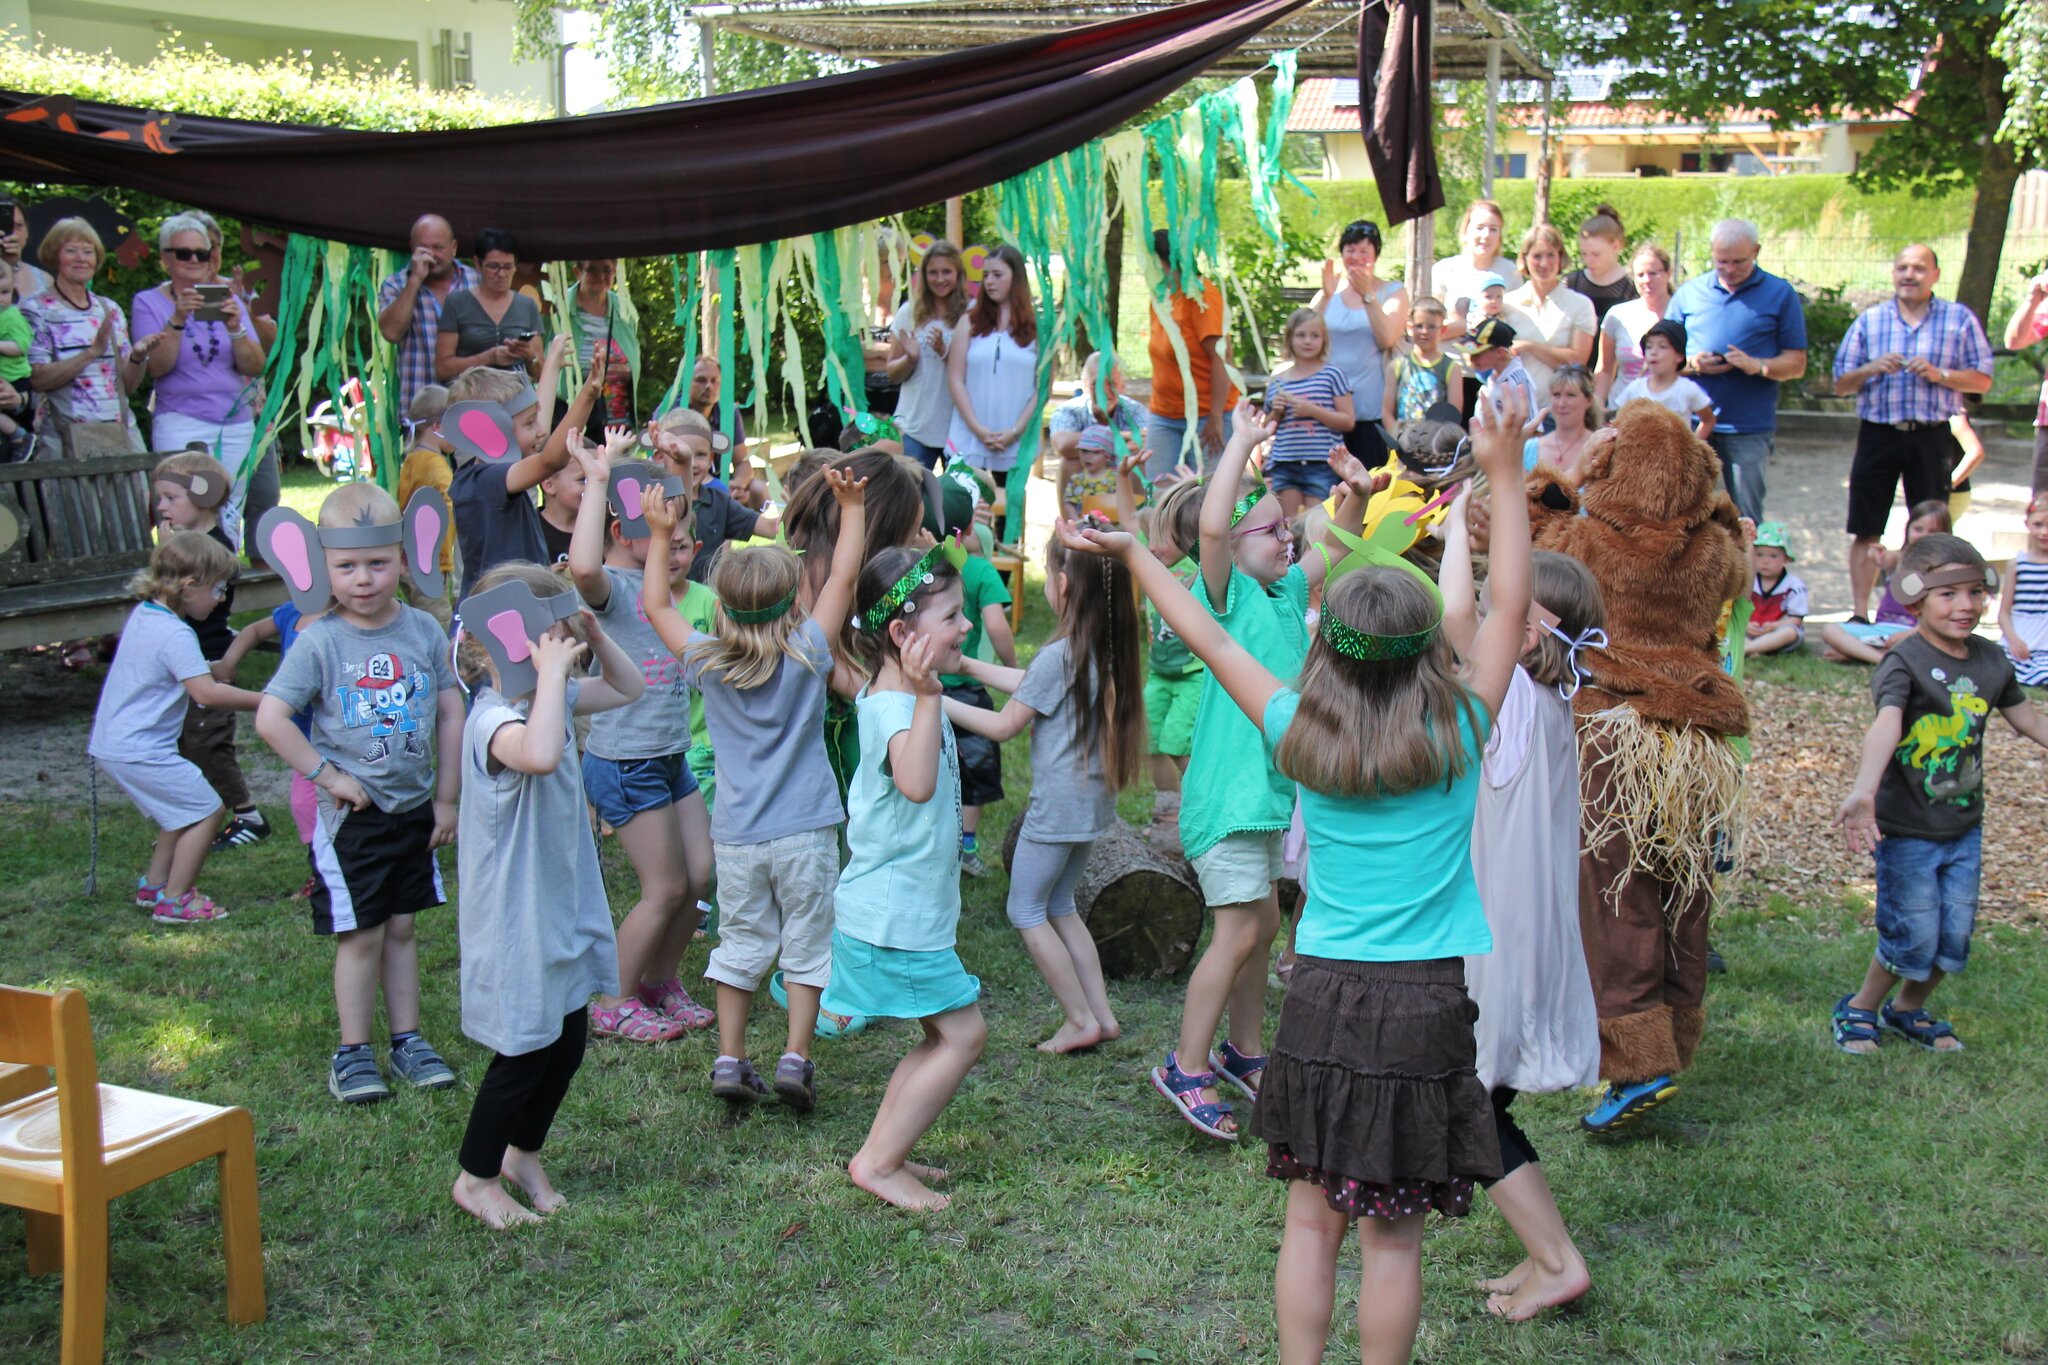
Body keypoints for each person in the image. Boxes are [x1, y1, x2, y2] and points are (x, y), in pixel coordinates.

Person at [1058, 387, 1531, 1363]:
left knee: (1311, 1222)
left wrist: (1141, 552)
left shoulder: (1296, 728)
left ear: (1326, 650)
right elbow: (1505, 608)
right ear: (1433, 654)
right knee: (1389, 1236)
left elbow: (1213, 636)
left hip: (1319, 999)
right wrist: (1504, 475)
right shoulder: (1461, 730)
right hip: (1425, 1002)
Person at [1153, 403, 1379, 1143]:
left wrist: (1358, 493)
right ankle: (1186, 1065)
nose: (1289, 539)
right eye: (1273, 531)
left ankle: (1243, 1049)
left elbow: (1339, 544)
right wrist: (1242, 443)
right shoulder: (1225, 597)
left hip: (1266, 799)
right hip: (1226, 798)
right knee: (1239, 930)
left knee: (1263, 922)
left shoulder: (1284, 594)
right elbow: (1213, 528)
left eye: (1289, 529)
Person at [640, 467, 866, 1108]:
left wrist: (660, 536)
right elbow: (844, 578)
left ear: (720, 606)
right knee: (806, 945)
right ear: (795, 600)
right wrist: (850, 510)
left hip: (736, 837)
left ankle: (730, 1059)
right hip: (806, 833)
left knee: (741, 944)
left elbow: (656, 604)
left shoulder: (707, 662)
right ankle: (795, 1057)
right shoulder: (809, 653)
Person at [1441, 513, 1603, 1324]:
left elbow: (1455, 620)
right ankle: (1544, 1251)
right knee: (1484, 1098)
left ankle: (1555, 1258)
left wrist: (1448, 534)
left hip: (1493, 941)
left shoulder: (1512, 708)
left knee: (1464, 1099)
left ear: (1534, 622)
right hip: (1522, 934)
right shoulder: (1544, 703)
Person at [254, 482, 464, 1106]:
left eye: (378, 562)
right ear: (322, 567)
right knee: (363, 933)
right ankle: (352, 1052)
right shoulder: (320, 641)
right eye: (347, 566)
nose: (364, 579)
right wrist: (328, 777)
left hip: (413, 810)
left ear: (404, 558)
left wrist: (446, 800)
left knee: (401, 928)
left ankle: (407, 1040)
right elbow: (270, 717)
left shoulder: (424, 630)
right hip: (351, 821)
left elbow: (451, 712)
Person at [450, 561, 642, 1228]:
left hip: (557, 896)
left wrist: (594, 628)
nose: (568, 641)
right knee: (525, 1045)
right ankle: (476, 1177)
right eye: (557, 629)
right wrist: (556, 678)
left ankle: (522, 1153)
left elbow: (630, 684)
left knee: (566, 1036)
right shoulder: (492, 719)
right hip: (514, 911)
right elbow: (533, 754)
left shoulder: (545, 701)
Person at [1830, 533, 2048, 1055]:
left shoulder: (1991, 660)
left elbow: (2026, 719)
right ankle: (1859, 1008)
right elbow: (1886, 724)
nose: (1966, 605)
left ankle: (1906, 1010)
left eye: (1975, 592)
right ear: (1915, 597)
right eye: (1948, 594)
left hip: (1963, 826)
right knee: (1915, 931)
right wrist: (1864, 791)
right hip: (1905, 829)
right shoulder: (1903, 663)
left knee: (1953, 940)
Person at [829, 543, 992, 1211]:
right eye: (952, 616)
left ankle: (883, 1150)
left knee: (939, 1033)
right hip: (894, 918)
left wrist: (928, 694)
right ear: (902, 634)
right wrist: (929, 699)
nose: (966, 627)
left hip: (903, 911)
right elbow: (917, 783)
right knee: (963, 1033)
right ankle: (879, 1161)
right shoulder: (899, 706)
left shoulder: (898, 692)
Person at [945, 526, 1144, 1053]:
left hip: (1058, 809)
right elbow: (1030, 681)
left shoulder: (1062, 655)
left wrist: (929, 699)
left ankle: (1079, 1020)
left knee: (1025, 909)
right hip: (1090, 806)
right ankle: (1100, 1015)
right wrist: (964, 666)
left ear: (1060, 584)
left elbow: (1005, 725)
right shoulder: (1096, 647)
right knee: (1060, 905)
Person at [565, 436, 719, 1043]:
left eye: (680, 541)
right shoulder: (613, 588)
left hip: (671, 756)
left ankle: (659, 979)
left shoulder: (674, 596)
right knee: (667, 886)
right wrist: (599, 477)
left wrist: (672, 464)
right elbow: (580, 568)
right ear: (623, 531)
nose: (672, 550)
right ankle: (612, 998)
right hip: (625, 763)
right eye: (659, 535)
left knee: (700, 875)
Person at [88, 530, 264, 923]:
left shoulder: (147, 616)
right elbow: (206, 693)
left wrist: (219, 668)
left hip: (117, 744)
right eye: (218, 589)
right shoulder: (176, 633)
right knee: (207, 811)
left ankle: (155, 885)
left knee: (178, 812)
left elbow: (188, 673)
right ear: (189, 586)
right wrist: (268, 702)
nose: (221, 599)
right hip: (140, 749)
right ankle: (177, 899)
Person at [1833, 244, 1994, 621]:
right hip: (1878, 433)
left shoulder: (1959, 320)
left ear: (1936, 274)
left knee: (1934, 531)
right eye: (1902, 267)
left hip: (1931, 434)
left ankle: (1929, 616)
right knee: (1866, 526)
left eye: (1919, 268)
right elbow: (1840, 384)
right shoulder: (1870, 321)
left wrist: (1942, 375)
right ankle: (1859, 614)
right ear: (1893, 273)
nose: (1909, 275)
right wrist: (1871, 368)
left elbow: (1983, 380)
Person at [153, 450, 268, 852]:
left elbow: (189, 604)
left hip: (209, 661)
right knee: (187, 742)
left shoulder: (211, 549)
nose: (162, 507)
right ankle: (199, 812)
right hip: (184, 661)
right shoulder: (187, 545)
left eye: (171, 498)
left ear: (203, 496)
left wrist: (169, 556)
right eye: (160, 499)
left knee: (208, 744)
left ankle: (247, 813)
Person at [132, 214, 267, 531]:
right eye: (183, 253)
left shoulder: (227, 299)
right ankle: (186, 578)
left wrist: (235, 328)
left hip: (235, 423)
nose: (194, 260)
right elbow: (157, 367)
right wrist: (178, 318)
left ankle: (224, 578)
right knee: (184, 511)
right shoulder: (149, 302)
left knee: (229, 513)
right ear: (166, 258)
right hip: (182, 420)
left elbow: (255, 365)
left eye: (201, 253)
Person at [1668, 219, 1809, 524]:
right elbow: (1662, 356)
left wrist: (1758, 365)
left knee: (1745, 519)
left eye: (1739, 262)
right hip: (1690, 423)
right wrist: (1692, 364)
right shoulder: (1689, 294)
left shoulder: (1780, 294)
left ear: (1756, 251)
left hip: (1748, 426)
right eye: (1722, 261)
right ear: (1711, 253)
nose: (1730, 269)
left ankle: (1749, 573)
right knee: (1682, 514)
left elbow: (1797, 363)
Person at [447, 363, 598, 600]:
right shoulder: (485, 481)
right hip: (499, 611)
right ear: (489, 431)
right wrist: (587, 396)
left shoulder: (490, 475)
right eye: (530, 423)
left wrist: (553, 363)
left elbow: (541, 439)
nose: (541, 431)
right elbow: (551, 460)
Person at [213, 594, 325, 900]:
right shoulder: (293, 611)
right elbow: (252, 631)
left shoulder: (344, 620)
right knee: (306, 806)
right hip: (302, 736)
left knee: (329, 806)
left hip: (339, 736)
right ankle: (322, 874)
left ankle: (335, 874)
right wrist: (227, 663)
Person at [1119, 469, 1207, 852]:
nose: (1152, 547)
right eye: (1148, 539)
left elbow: (1211, 525)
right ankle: (1168, 811)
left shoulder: (1198, 568)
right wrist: (1124, 476)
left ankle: (1201, 808)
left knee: (1177, 741)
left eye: (1162, 539)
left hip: (1193, 673)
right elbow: (1125, 522)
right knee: (1152, 741)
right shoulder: (1152, 565)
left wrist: (1199, 488)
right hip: (1160, 672)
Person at [24, 217, 158, 460]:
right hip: (66, 441)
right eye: (71, 250)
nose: (81, 258)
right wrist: (91, 353)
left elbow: (127, 386)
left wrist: (138, 358)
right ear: (55, 256)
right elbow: (38, 379)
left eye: (88, 252)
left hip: (119, 436)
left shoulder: (109, 309)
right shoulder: (37, 309)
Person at [1311, 219, 1405, 466]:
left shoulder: (1392, 291)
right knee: (1326, 487)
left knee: (1367, 483)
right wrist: (1326, 296)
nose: (1357, 257)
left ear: (1376, 255)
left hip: (1369, 407)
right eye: (1350, 250)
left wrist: (1367, 295)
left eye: (1364, 251)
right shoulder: (1331, 291)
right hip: (1327, 408)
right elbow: (1303, 337)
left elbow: (1387, 338)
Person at [945, 243, 1041, 481]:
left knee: (1008, 513)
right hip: (970, 438)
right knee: (967, 509)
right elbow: (955, 379)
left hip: (1016, 440)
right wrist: (978, 429)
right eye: (985, 275)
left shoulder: (1038, 327)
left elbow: (1043, 387)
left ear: (1016, 278)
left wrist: (1015, 431)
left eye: (998, 275)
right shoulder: (969, 321)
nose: (989, 282)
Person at [1145, 230, 1237, 476]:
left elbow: (1222, 359)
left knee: (1207, 495)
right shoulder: (1161, 296)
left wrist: (1215, 417)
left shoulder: (1201, 296)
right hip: (1165, 413)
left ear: (1162, 261)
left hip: (1207, 416)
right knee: (1158, 491)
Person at [1820, 501, 1951, 665]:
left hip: (1916, 633)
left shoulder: (1943, 570)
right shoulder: (1899, 558)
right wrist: (1877, 555)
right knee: (1830, 631)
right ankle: (1881, 658)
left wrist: (1908, 635)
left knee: (1933, 641)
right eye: (1918, 529)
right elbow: (1885, 559)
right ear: (1908, 529)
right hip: (1881, 629)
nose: (1923, 535)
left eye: (1932, 531)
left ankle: (1859, 654)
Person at [377, 213, 479, 416]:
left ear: (454, 247)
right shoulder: (396, 284)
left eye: (438, 247)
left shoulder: (477, 282)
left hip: (471, 409)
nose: (431, 255)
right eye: (423, 248)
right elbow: (391, 333)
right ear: (412, 248)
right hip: (419, 413)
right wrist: (414, 280)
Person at [1262, 308, 1356, 514]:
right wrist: (1276, 412)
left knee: (1317, 522)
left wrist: (1312, 410)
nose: (1307, 341)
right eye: (1301, 335)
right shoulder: (1278, 381)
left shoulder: (1332, 374)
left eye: (1315, 336)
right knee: (1287, 522)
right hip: (1285, 461)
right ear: (1289, 339)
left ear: (1324, 340)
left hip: (1322, 461)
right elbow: (1267, 429)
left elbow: (1348, 421)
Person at [886, 239, 967, 467]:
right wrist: (909, 359)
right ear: (923, 275)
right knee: (913, 496)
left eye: (946, 272)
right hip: (914, 427)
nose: (940, 279)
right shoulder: (908, 312)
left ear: (958, 274)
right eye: (933, 272)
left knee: (961, 497)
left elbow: (977, 375)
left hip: (958, 427)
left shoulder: (971, 314)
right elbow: (892, 373)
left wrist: (946, 352)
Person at [435, 228, 542, 385]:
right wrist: (487, 358)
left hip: (517, 400)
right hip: (471, 397)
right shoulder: (456, 303)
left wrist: (530, 355)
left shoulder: (527, 306)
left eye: (507, 267)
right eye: (493, 266)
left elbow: (540, 373)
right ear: (478, 264)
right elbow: (442, 368)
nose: (501, 274)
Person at [1503, 225, 1596, 400]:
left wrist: (1530, 346)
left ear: (1561, 258)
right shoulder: (1507, 304)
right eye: (1537, 256)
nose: (1544, 263)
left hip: (1560, 410)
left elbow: (1577, 362)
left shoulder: (1580, 305)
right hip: (1513, 407)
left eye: (1550, 255)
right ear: (1525, 259)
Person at [1049, 350, 1148, 508]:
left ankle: (1136, 526)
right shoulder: (1069, 410)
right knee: (1068, 463)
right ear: (1085, 384)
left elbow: (1147, 441)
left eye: (1111, 384)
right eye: (1097, 383)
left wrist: (1088, 444)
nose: (1104, 391)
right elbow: (1062, 445)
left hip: (1123, 477)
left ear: (1122, 386)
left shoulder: (1135, 410)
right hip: (1086, 480)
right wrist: (1124, 438)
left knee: (1141, 462)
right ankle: (1072, 526)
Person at [396, 384, 459, 625]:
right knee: (438, 622)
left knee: (421, 617)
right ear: (437, 427)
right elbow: (451, 497)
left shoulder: (412, 460)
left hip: (411, 559)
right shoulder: (436, 464)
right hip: (432, 561)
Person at [556, 258, 639, 429]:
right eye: (592, 269)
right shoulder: (559, 308)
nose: (601, 276)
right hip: (573, 420)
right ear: (577, 272)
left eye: (607, 270)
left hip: (619, 419)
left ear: (615, 272)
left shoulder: (624, 309)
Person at [1595, 244, 1674, 410]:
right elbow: (1604, 369)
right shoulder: (1618, 315)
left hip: (1669, 410)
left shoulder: (1682, 314)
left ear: (1668, 273)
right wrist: (1599, 406)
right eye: (1640, 274)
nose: (1647, 280)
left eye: (1654, 273)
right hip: (1623, 409)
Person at [1611, 319, 1716, 437]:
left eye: (1662, 346)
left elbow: (1708, 420)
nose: (1653, 352)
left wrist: (1693, 448)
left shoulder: (1687, 389)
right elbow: (1617, 421)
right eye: (1649, 347)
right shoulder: (1635, 388)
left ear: (1679, 356)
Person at [1436, 198, 1523, 340]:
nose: (1486, 235)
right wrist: (1472, 324)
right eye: (1479, 227)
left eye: (1493, 229)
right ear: (1465, 232)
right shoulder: (1443, 270)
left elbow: (1516, 325)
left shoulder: (1511, 272)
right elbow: (1431, 328)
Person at [1383, 297, 1461, 434]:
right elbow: (1386, 412)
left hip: (1435, 444)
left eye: (1431, 327)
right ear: (1409, 327)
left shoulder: (1451, 367)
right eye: (1419, 326)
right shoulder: (1397, 365)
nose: (1424, 331)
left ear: (1442, 330)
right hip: (1402, 442)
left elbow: (1453, 413)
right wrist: (1398, 437)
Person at [2000, 498, 2048, 686]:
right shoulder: (2017, 565)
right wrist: (2013, 640)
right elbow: (2004, 611)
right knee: (2002, 667)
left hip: (2044, 640)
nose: (2043, 532)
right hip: (2020, 636)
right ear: (2027, 523)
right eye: (2038, 524)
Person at [1522, 366, 1602, 478]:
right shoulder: (1530, 449)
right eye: (1556, 395)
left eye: (1570, 395)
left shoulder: (1599, 448)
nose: (1561, 404)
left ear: (1588, 401)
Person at [1565, 205, 1637, 329]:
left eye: (1596, 254)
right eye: (1584, 254)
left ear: (1615, 246)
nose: (1589, 260)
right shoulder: (1572, 282)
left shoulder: (1631, 284)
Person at [1745, 521, 1808, 655]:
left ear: (1786, 558)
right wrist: (1746, 624)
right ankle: (1756, 648)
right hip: (1750, 630)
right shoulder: (1748, 581)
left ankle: (1748, 649)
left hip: (1777, 631)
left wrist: (1775, 626)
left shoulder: (1794, 586)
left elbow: (1796, 619)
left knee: (1790, 633)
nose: (1765, 561)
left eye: (1773, 556)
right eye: (1759, 554)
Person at [1465, 318, 1538, 427]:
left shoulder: (1519, 381)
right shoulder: (1493, 377)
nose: (1471, 360)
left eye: (1477, 354)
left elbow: (1533, 428)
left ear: (1500, 352)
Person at [0, 257, 29, 461]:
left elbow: (21, 346)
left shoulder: (12, 316)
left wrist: (20, 399)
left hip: (14, 378)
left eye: (5, 292)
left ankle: (20, 436)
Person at [1, 196, 52, 299]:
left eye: (19, 225)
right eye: (4, 225)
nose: (12, 233)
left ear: (27, 232)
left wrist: (13, 266)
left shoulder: (45, 280)